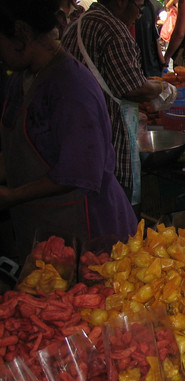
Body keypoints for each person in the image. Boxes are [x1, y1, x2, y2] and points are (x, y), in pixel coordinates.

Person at [0, 0, 137, 260]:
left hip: (89, 234)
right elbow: (17, 150)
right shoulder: (21, 79)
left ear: (21, 33)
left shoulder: (72, 87)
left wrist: (13, 195)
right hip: (41, 230)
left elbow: (79, 171)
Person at [62, 0, 173, 203]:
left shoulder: (77, 24)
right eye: (138, 7)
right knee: (116, 208)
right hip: (108, 139)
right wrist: (162, 88)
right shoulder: (112, 29)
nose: (139, 14)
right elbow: (133, 88)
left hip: (76, 142)